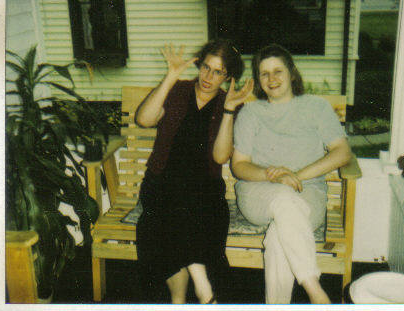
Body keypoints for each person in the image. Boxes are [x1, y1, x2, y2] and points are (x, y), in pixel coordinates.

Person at [230, 44, 351, 304]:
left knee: (278, 237)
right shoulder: (250, 113)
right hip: (259, 193)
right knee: (284, 201)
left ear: (292, 73)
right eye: (264, 74)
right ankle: (315, 291)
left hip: (308, 194)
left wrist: (295, 175)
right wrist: (273, 176)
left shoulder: (316, 107)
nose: (272, 79)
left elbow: (342, 153)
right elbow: (239, 166)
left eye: (278, 71)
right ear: (259, 80)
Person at [135, 40, 253, 304]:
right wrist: (170, 76)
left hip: (204, 190)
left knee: (161, 225)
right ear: (199, 65)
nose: (209, 77)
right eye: (206, 68)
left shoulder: (231, 103)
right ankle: (203, 287)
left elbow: (220, 156)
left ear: (228, 76)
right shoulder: (177, 90)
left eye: (218, 72)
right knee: (173, 212)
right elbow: (144, 119)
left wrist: (229, 110)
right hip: (162, 182)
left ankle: (178, 301)